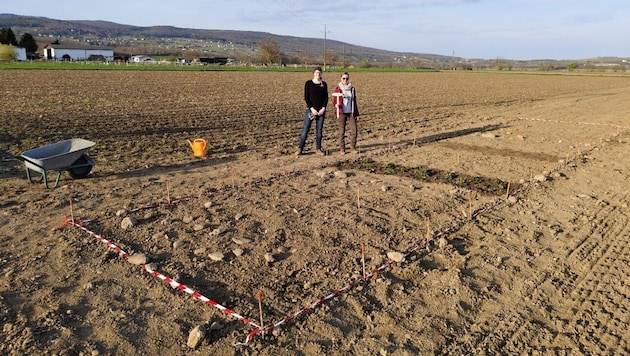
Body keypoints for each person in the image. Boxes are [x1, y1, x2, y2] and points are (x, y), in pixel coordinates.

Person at [296, 66, 328, 156]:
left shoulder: (324, 84)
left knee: (319, 131)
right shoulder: (308, 83)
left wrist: (323, 108)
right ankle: (300, 148)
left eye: (319, 72)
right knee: (305, 129)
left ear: (321, 73)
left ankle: (318, 148)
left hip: (321, 111)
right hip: (310, 111)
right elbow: (306, 97)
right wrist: (312, 108)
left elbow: (326, 98)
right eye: (316, 72)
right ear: (313, 73)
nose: (318, 74)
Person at [332, 72, 360, 154]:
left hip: (351, 112)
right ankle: (342, 148)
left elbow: (354, 102)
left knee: (354, 130)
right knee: (342, 131)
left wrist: (357, 114)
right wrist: (336, 105)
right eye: (343, 78)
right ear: (341, 79)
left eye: (347, 78)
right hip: (342, 112)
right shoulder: (338, 89)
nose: (345, 80)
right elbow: (334, 101)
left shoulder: (352, 89)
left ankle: (352, 147)